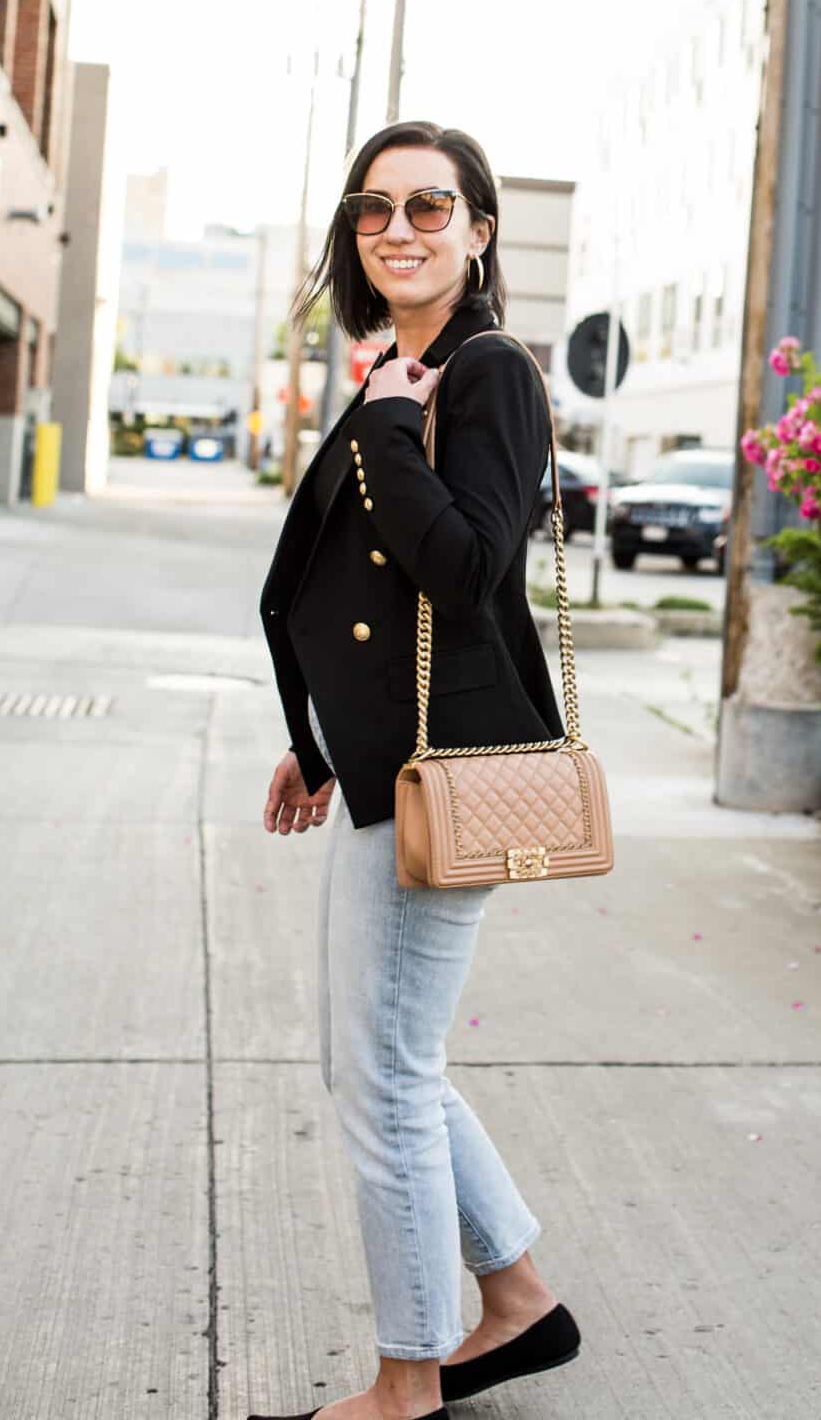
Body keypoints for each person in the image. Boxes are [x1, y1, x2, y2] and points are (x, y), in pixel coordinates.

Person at [252, 122, 581, 1420]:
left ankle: (406, 1376)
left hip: (446, 775)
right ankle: (515, 1301)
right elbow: (364, 599)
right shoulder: (410, 362)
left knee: (382, 1071)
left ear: (479, 231)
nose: (399, 228)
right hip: (390, 763)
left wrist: (390, 427)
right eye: (375, 209)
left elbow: (467, 567)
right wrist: (318, 740)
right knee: (384, 1061)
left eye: (429, 208)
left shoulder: (482, 374)